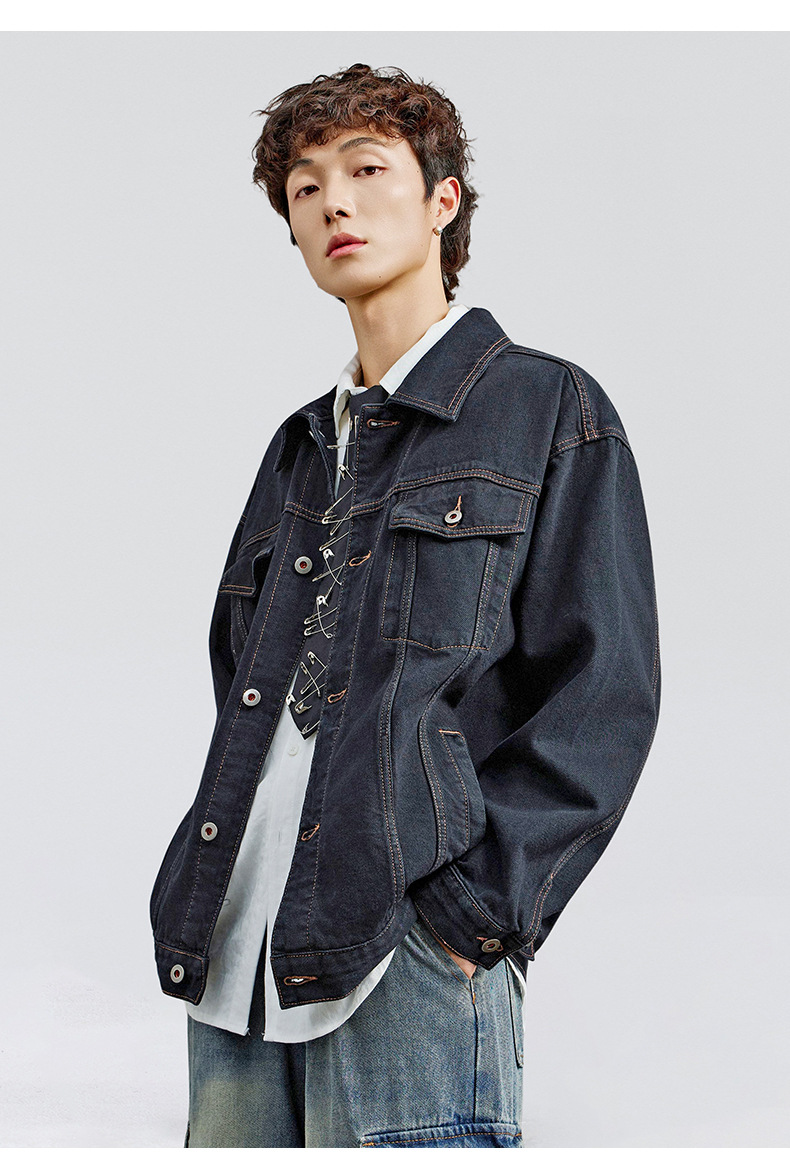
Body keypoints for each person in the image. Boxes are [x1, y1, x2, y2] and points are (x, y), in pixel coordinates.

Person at [149, 62, 661, 1148]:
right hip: (233, 960)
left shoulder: (546, 406)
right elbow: (243, 679)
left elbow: (602, 690)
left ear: (442, 200)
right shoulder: (299, 445)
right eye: (304, 187)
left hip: (405, 957)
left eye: (366, 169)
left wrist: (475, 916)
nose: (332, 202)